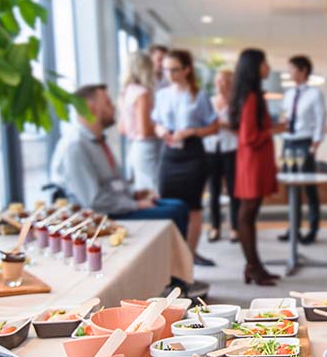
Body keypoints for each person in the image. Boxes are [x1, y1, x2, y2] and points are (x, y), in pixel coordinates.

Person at [50, 84, 188, 231]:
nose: (114, 107)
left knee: (178, 205)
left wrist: (134, 194)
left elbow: (113, 184)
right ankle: (178, 253)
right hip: (98, 217)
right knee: (174, 212)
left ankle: (181, 253)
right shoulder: (75, 146)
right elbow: (94, 202)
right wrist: (134, 205)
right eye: (108, 103)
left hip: (116, 205)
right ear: (91, 108)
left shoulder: (98, 141)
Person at [152, 49, 220, 267]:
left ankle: (188, 257)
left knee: (193, 206)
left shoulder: (198, 95)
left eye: (175, 70)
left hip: (192, 153)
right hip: (169, 152)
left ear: (187, 70)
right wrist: (160, 129)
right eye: (166, 70)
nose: (170, 75)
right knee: (167, 203)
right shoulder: (162, 95)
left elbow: (214, 126)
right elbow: (155, 123)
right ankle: (172, 256)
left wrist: (192, 131)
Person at [230, 49, 283, 286]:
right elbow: (249, 136)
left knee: (249, 213)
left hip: (254, 161)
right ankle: (252, 266)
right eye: (265, 63)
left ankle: (255, 265)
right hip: (252, 162)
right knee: (247, 213)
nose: (268, 68)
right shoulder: (251, 97)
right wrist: (274, 130)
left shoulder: (251, 96)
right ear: (255, 67)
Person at [278, 55, 326, 245]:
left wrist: (315, 144)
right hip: (288, 143)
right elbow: (286, 117)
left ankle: (313, 229)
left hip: (305, 143)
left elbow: (320, 120)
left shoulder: (315, 94)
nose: (289, 73)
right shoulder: (289, 94)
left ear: (303, 70)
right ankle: (293, 228)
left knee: (308, 187)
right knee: (291, 187)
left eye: (291, 69)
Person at [204, 69, 240, 243]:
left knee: (234, 191)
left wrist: (222, 125)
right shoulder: (209, 102)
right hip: (211, 150)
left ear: (232, 83)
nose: (222, 84)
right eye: (219, 81)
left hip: (231, 149)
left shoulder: (237, 103)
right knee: (214, 191)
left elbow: (240, 128)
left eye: (226, 81)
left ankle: (235, 227)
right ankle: (215, 226)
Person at [117, 52, 160, 193]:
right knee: (154, 191)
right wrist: (163, 129)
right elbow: (145, 130)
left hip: (134, 147)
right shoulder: (142, 93)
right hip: (148, 148)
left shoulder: (125, 92)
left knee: (143, 191)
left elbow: (122, 128)